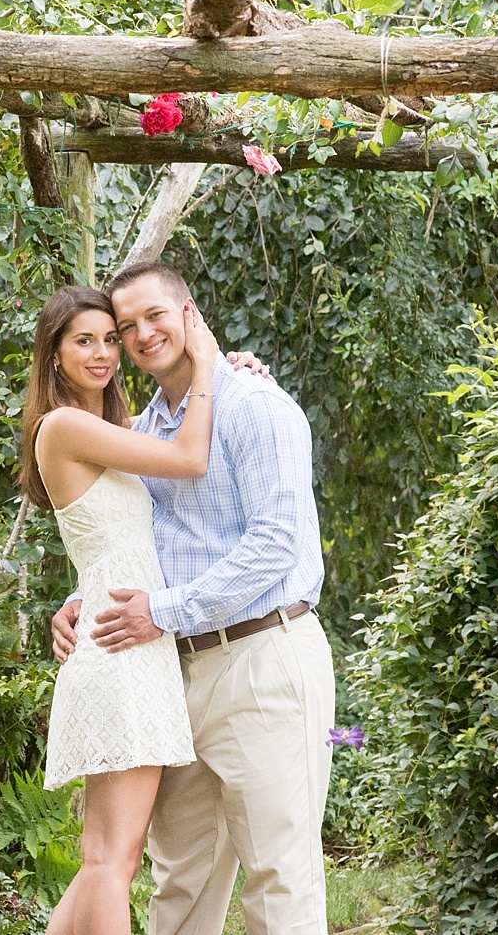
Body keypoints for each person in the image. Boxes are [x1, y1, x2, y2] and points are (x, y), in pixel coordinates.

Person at [50, 260, 332, 935]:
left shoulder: (255, 405)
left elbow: (275, 543)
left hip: (264, 659)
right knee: (180, 884)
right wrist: (81, 597)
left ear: (189, 312)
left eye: (155, 315)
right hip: (173, 675)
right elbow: (141, 541)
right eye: (126, 326)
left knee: (279, 878)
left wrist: (160, 611)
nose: (143, 334)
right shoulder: (147, 432)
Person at [19, 284, 220, 935]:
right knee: (114, 860)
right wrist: (211, 363)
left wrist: (238, 370)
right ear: (54, 353)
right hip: (121, 650)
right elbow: (189, 455)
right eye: (85, 339)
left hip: (118, 637)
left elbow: (119, 541)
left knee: (102, 858)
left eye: (110, 338)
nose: (104, 352)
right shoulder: (66, 426)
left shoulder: (107, 430)